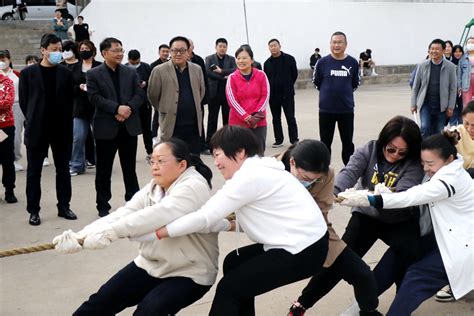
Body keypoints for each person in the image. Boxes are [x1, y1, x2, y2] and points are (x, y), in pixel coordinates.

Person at [155, 125, 329, 315]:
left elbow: (205, 216)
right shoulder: (260, 168)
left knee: (230, 289)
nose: (216, 163)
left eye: (218, 154)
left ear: (239, 153)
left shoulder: (249, 177)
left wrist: (160, 231)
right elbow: (225, 218)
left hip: (304, 250)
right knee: (234, 262)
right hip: (304, 242)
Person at [53, 138, 232, 315]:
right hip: (151, 264)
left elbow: (156, 215)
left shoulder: (193, 186)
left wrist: (111, 233)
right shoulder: (153, 187)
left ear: (182, 165)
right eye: (152, 160)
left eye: (161, 161)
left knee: (149, 311)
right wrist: (81, 236)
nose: (154, 166)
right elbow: (124, 212)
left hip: (190, 271)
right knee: (99, 303)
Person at [339, 130, 474, 316]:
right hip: (442, 236)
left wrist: (372, 199)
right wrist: (386, 194)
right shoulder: (446, 168)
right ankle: (363, 306)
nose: (425, 168)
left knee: (416, 277)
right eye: (423, 163)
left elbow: (415, 195)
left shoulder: (450, 179)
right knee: (396, 255)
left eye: (430, 164)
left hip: (461, 245)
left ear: (449, 159)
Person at [298, 116, 425, 312]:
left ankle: (401, 303)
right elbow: (349, 172)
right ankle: (302, 303)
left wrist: (373, 198)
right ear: (383, 141)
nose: (394, 155)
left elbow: (403, 195)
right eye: (390, 149)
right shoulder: (370, 149)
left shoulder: (414, 164)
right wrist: (334, 191)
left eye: (402, 152)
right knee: (338, 258)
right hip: (366, 216)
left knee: (411, 251)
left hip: (399, 218)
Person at [277, 141, 381, 316]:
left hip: (316, 233)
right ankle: (300, 306)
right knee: (239, 278)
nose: (312, 182)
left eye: (316, 179)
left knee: (363, 275)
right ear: (292, 163)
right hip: (277, 238)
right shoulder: (271, 171)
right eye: (307, 179)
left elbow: (319, 213)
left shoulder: (327, 174)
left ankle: (368, 312)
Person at [19, 33, 77, 225]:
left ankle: (64, 207)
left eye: (59, 50)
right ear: (43, 50)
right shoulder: (28, 74)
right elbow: (25, 102)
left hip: (61, 129)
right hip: (37, 129)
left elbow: (70, 101)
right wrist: (35, 117)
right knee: (34, 172)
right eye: (54, 50)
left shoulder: (66, 74)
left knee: (63, 170)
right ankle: (33, 210)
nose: (57, 53)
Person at [86, 37, 143, 217]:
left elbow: (139, 94)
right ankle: (103, 205)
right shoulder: (94, 74)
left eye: (121, 50)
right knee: (104, 170)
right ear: (104, 53)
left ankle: (133, 203)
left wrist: (128, 109)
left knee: (129, 169)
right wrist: (117, 109)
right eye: (116, 50)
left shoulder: (130, 72)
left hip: (128, 127)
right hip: (106, 128)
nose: (120, 53)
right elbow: (94, 97)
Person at [148, 36, 205, 156]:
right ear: (170, 51)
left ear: (189, 52)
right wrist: (165, 108)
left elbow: (201, 91)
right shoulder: (159, 71)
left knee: (193, 161)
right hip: (171, 126)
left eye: (182, 50)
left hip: (193, 126)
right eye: (174, 50)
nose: (178, 54)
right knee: (172, 160)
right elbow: (153, 96)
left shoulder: (197, 69)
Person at [313, 31, 359, 165]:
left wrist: (344, 92)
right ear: (330, 44)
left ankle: (349, 171)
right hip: (326, 110)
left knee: (348, 143)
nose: (336, 45)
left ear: (345, 44)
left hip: (346, 110)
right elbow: (316, 82)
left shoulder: (352, 62)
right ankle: (324, 172)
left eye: (339, 42)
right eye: (334, 42)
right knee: (325, 143)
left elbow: (355, 83)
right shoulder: (322, 62)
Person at [226, 45, 269, 155]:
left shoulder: (261, 75)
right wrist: (247, 117)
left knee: (258, 154)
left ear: (251, 60)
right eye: (238, 58)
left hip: (259, 123)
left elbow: (265, 96)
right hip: (238, 124)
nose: (241, 61)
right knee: (240, 155)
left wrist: (255, 117)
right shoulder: (232, 78)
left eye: (244, 58)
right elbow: (232, 101)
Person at [411, 39, 457, 138]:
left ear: (443, 51)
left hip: (442, 106)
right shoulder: (422, 65)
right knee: (425, 127)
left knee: (438, 130)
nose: (434, 51)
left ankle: (435, 152)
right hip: (425, 104)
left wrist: (451, 107)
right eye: (432, 49)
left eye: (437, 49)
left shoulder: (451, 67)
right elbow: (416, 86)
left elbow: (453, 89)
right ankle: (424, 150)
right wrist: (413, 104)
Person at [69, 40, 101, 176]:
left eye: (86, 48)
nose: (84, 50)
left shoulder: (100, 66)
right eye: (81, 48)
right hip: (80, 108)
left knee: (100, 137)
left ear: (93, 51)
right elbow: (69, 87)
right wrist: (79, 87)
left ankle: (102, 163)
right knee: (78, 137)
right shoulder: (74, 68)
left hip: (97, 107)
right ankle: (77, 165)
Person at [264, 38, 299, 147]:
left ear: (280, 46)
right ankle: (279, 140)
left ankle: (294, 140)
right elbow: (266, 79)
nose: (273, 47)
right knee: (276, 118)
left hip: (287, 94)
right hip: (273, 96)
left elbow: (294, 74)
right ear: (269, 48)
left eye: (275, 45)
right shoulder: (267, 63)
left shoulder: (289, 59)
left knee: (290, 117)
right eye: (271, 46)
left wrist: (287, 85)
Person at [204, 38, 237, 147]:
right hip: (213, 94)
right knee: (212, 119)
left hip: (227, 94)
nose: (222, 48)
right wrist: (224, 77)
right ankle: (210, 143)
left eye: (224, 46)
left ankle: (227, 142)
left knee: (227, 119)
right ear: (216, 47)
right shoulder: (209, 58)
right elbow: (208, 72)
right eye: (220, 46)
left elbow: (235, 70)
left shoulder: (231, 59)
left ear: (227, 47)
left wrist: (221, 71)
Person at [126, 49, 153, 160]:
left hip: (145, 103)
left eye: (136, 62)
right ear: (128, 60)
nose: (135, 64)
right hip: (131, 104)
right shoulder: (124, 68)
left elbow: (152, 81)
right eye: (132, 63)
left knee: (147, 128)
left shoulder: (146, 67)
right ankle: (130, 153)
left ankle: (150, 151)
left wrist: (145, 83)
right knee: (132, 130)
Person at [0, 50, 22, 172]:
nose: (1, 62)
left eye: (3, 59)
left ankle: (15, 159)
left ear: (9, 60)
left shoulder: (17, 75)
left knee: (15, 136)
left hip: (15, 106)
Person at [188, 39, 210, 155]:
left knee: (199, 122)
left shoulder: (199, 60)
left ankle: (202, 146)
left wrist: (204, 97)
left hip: (198, 96)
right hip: (185, 97)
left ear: (193, 47)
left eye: (189, 46)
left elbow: (204, 80)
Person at [0, 73, 17, 203]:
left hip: (5, 126)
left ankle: (9, 189)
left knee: (7, 159)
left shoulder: (6, 82)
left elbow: (7, 102)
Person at [150, 44, 170, 144]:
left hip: (169, 94)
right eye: (163, 51)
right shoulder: (154, 65)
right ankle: (153, 136)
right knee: (157, 116)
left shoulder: (171, 64)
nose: (165, 53)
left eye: (167, 51)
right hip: (159, 95)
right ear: (159, 52)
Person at [448, 44, 465, 126]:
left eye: (459, 51)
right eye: (455, 52)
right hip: (453, 90)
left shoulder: (466, 62)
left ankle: (462, 127)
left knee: (463, 109)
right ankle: (453, 128)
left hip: (463, 90)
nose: (458, 53)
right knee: (453, 110)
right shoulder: (450, 64)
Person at [458, 36, 474, 108]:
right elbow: (459, 73)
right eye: (469, 43)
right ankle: (467, 119)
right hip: (466, 84)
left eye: (472, 43)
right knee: (467, 105)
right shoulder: (463, 58)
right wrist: (459, 86)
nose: (470, 44)